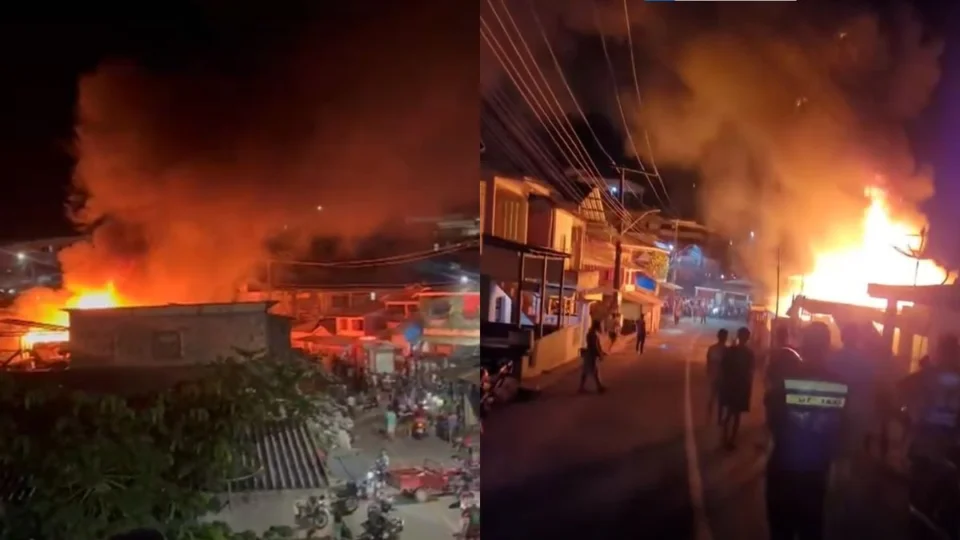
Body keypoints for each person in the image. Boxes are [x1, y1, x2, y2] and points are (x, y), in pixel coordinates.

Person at [764, 321, 847, 540]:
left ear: (803, 345)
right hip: (816, 473)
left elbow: (773, 423)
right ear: (828, 346)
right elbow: (841, 429)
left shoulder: (785, 382)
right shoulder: (839, 385)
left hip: (783, 469)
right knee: (811, 529)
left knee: (781, 532)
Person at [720, 327, 756, 449]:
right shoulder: (749, 353)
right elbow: (751, 372)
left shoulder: (731, 350)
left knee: (730, 413)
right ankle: (731, 440)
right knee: (736, 416)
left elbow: (723, 367)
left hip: (731, 385)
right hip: (741, 387)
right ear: (747, 338)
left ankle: (725, 438)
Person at [706, 328, 729, 425]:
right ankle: (719, 419)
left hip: (715, 375)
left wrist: (709, 372)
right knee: (720, 400)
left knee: (712, 397)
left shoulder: (712, 348)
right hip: (722, 377)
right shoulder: (727, 350)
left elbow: (708, 362)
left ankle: (709, 417)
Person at [580, 319, 606, 393]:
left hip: (589, 353)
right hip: (591, 354)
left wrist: (600, 352)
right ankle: (599, 387)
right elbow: (595, 346)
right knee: (593, 371)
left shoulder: (591, 333)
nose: (601, 327)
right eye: (600, 326)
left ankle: (598, 387)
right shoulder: (593, 334)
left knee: (587, 371)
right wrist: (599, 354)